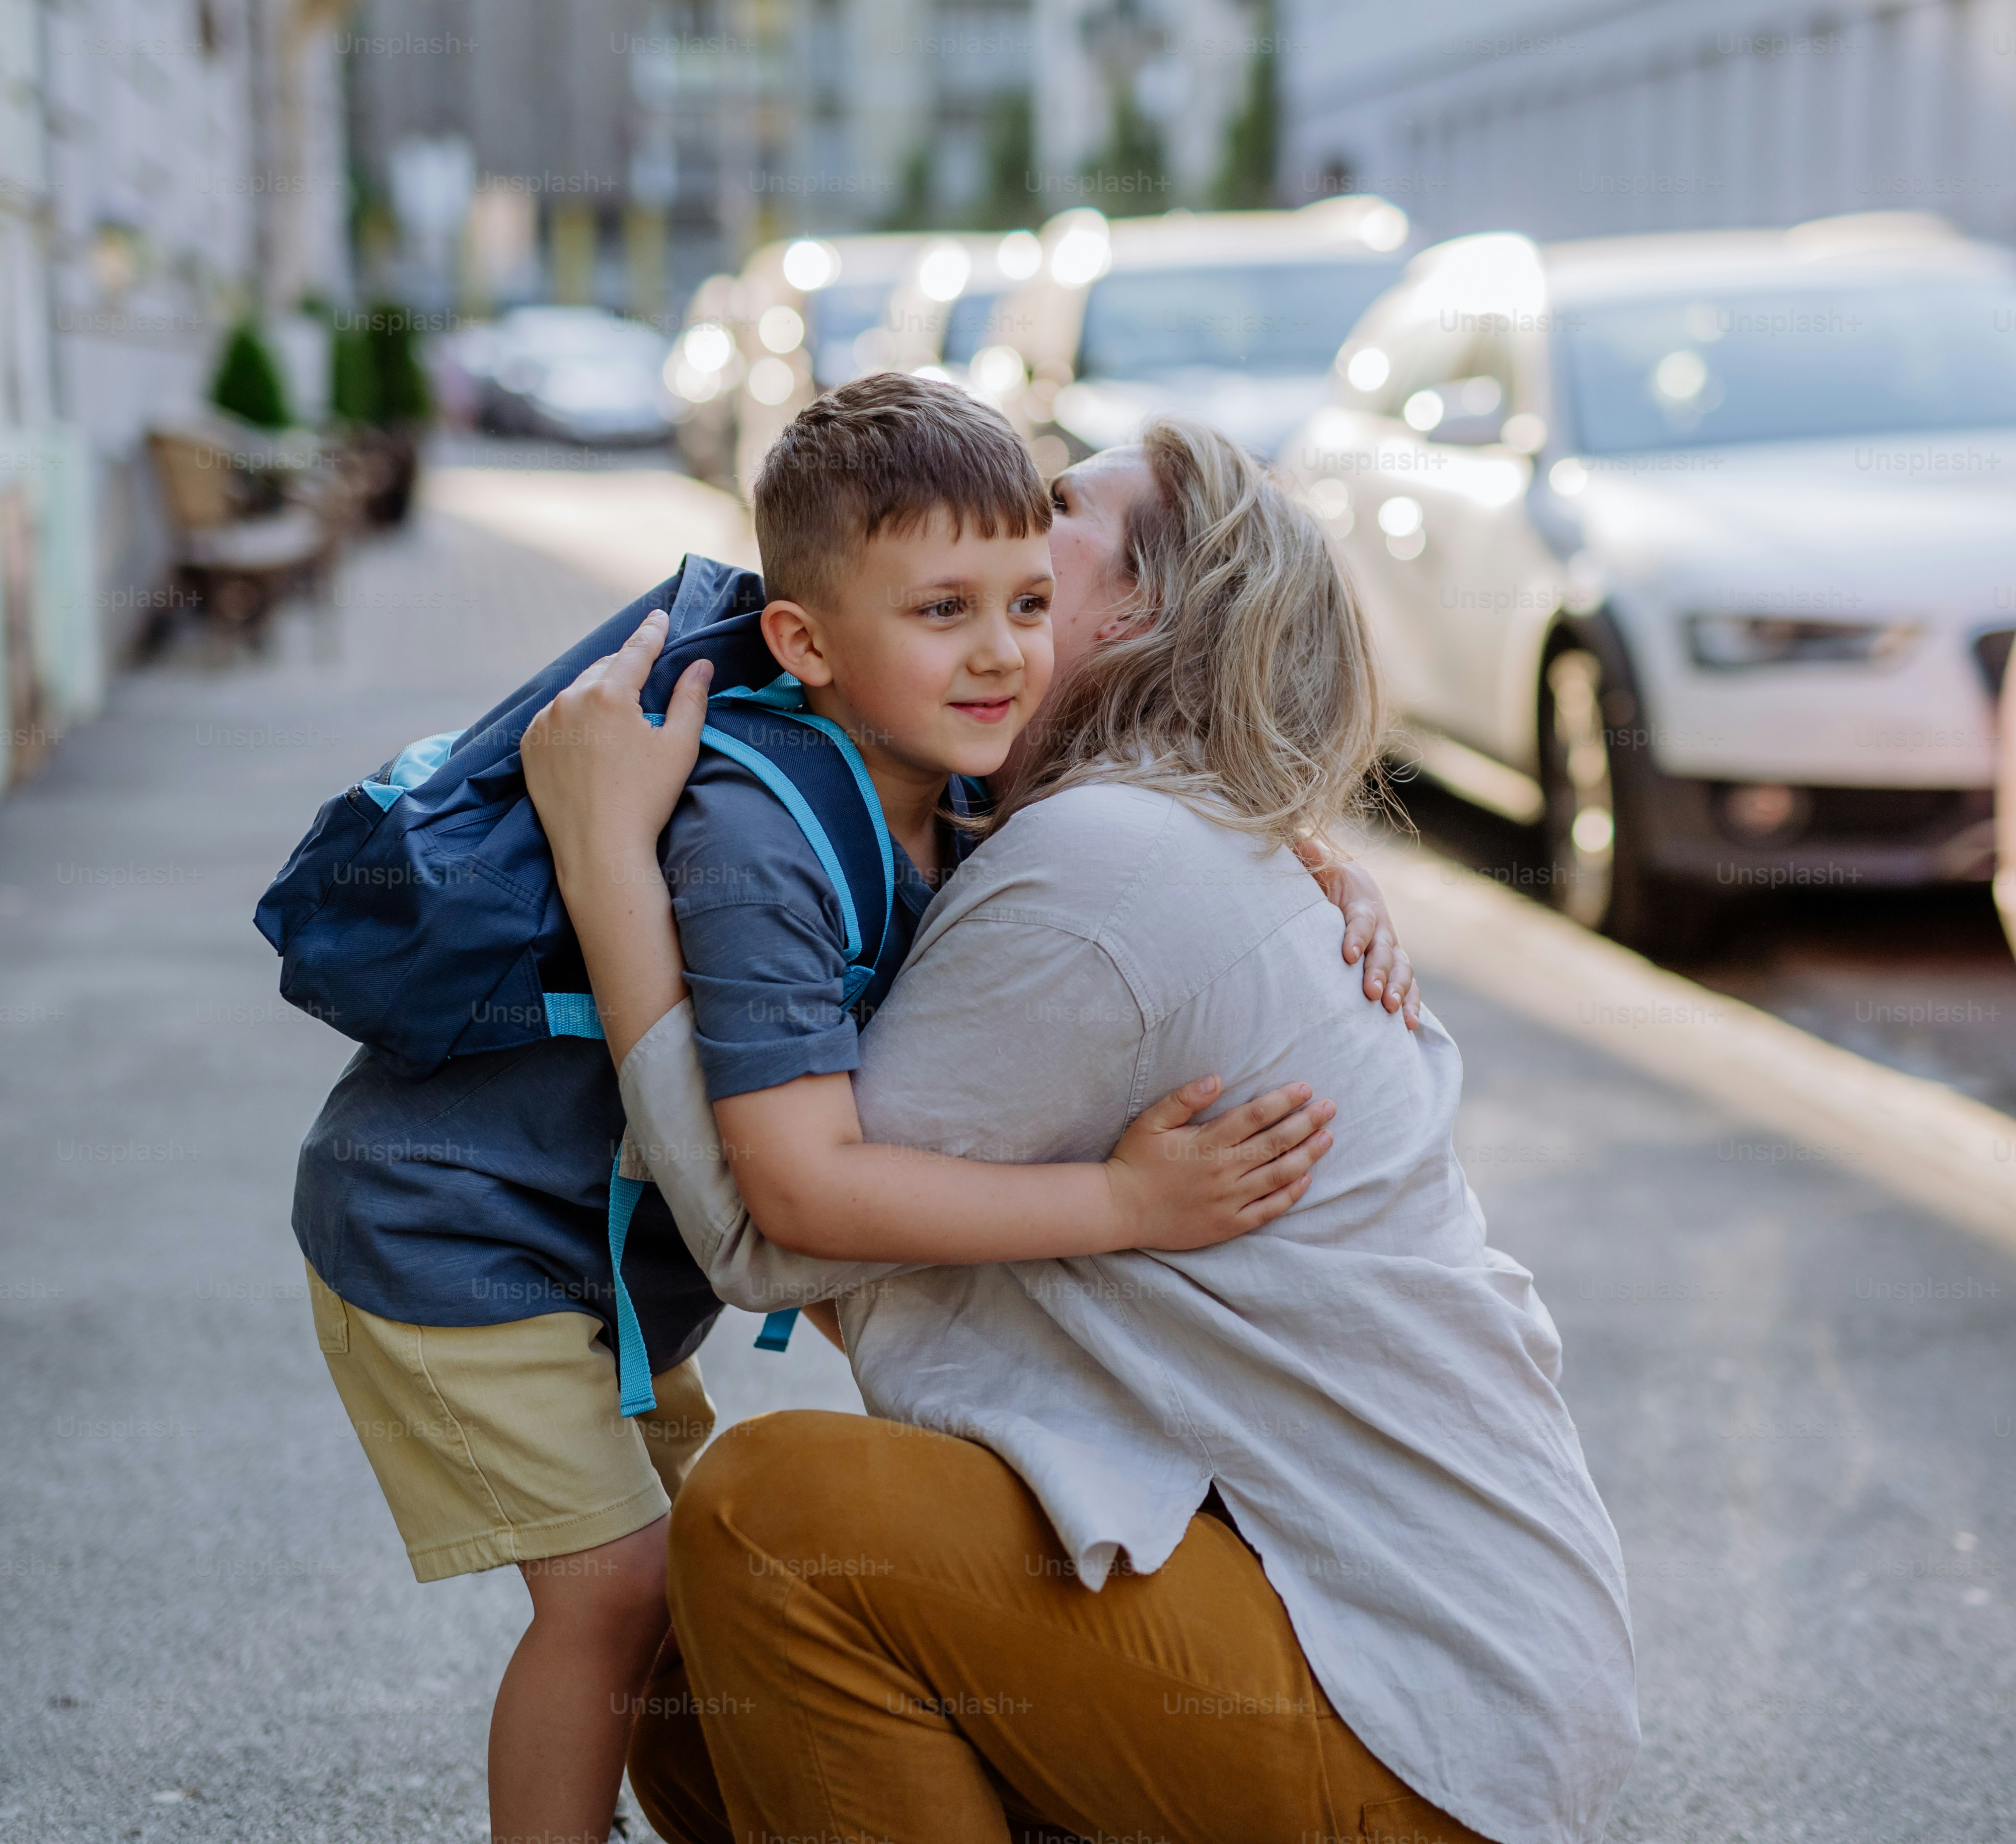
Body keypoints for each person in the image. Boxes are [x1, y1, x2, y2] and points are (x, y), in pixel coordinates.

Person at [300, 374, 1404, 1844]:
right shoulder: (761, 833)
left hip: (590, 1264)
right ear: (809, 643)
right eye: (945, 610)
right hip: (455, 1242)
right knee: (619, 1595)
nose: (1004, 648)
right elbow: (797, 1205)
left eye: (1028, 595)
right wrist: (1130, 1204)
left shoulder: (946, 779)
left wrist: (1314, 852)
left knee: (690, 1605)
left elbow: (1170, 789)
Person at [528, 417, 1641, 1844]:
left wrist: (603, 853)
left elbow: (764, 1226)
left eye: (1056, 512)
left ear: (1142, 619)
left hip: (1405, 1716)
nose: (996, 525)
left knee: (770, 1519)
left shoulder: (1105, 871)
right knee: (704, 1722)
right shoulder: (1154, 846)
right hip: (1416, 1679)